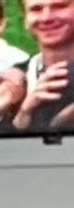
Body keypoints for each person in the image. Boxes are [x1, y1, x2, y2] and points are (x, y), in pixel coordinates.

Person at [13, 0, 74, 133]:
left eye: (60, 6)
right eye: (36, 9)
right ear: (25, 20)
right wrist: (23, 115)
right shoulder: (12, 83)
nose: (46, 18)